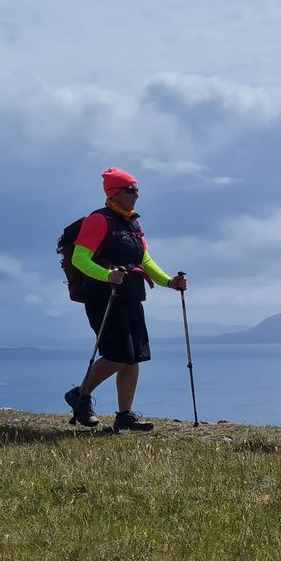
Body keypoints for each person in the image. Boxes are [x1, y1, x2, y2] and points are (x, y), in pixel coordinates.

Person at [64, 168, 187, 433]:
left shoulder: (133, 224)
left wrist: (169, 282)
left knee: (133, 358)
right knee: (118, 355)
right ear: (115, 193)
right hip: (103, 298)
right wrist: (107, 276)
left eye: (137, 190)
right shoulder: (98, 220)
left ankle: (124, 415)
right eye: (131, 190)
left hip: (131, 295)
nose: (137, 195)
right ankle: (79, 395)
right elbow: (79, 259)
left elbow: (145, 260)